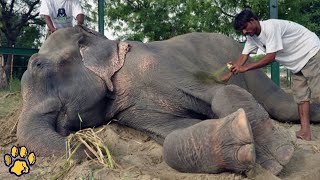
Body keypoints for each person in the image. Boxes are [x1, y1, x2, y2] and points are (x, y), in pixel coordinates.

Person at [229, 9, 320, 141]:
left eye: (245, 27)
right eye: (241, 30)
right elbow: (244, 55)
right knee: (301, 98)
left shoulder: (271, 27)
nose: (244, 32)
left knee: (318, 93)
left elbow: (271, 57)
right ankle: (305, 132)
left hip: (310, 52)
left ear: (252, 21)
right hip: (297, 63)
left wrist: (245, 68)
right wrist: (235, 68)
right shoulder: (252, 37)